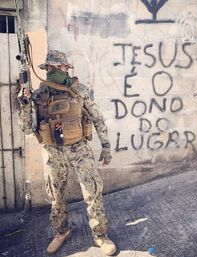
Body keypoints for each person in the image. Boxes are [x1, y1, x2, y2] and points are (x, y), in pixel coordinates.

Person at [19, 50, 117, 256]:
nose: (55, 71)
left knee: (92, 191)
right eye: (51, 68)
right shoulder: (38, 95)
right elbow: (28, 128)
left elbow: (97, 118)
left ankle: (100, 235)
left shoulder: (79, 90)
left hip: (80, 150)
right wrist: (25, 104)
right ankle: (61, 232)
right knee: (56, 196)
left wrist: (106, 146)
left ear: (66, 68)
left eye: (59, 67)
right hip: (53, 152)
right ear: (47, 69)